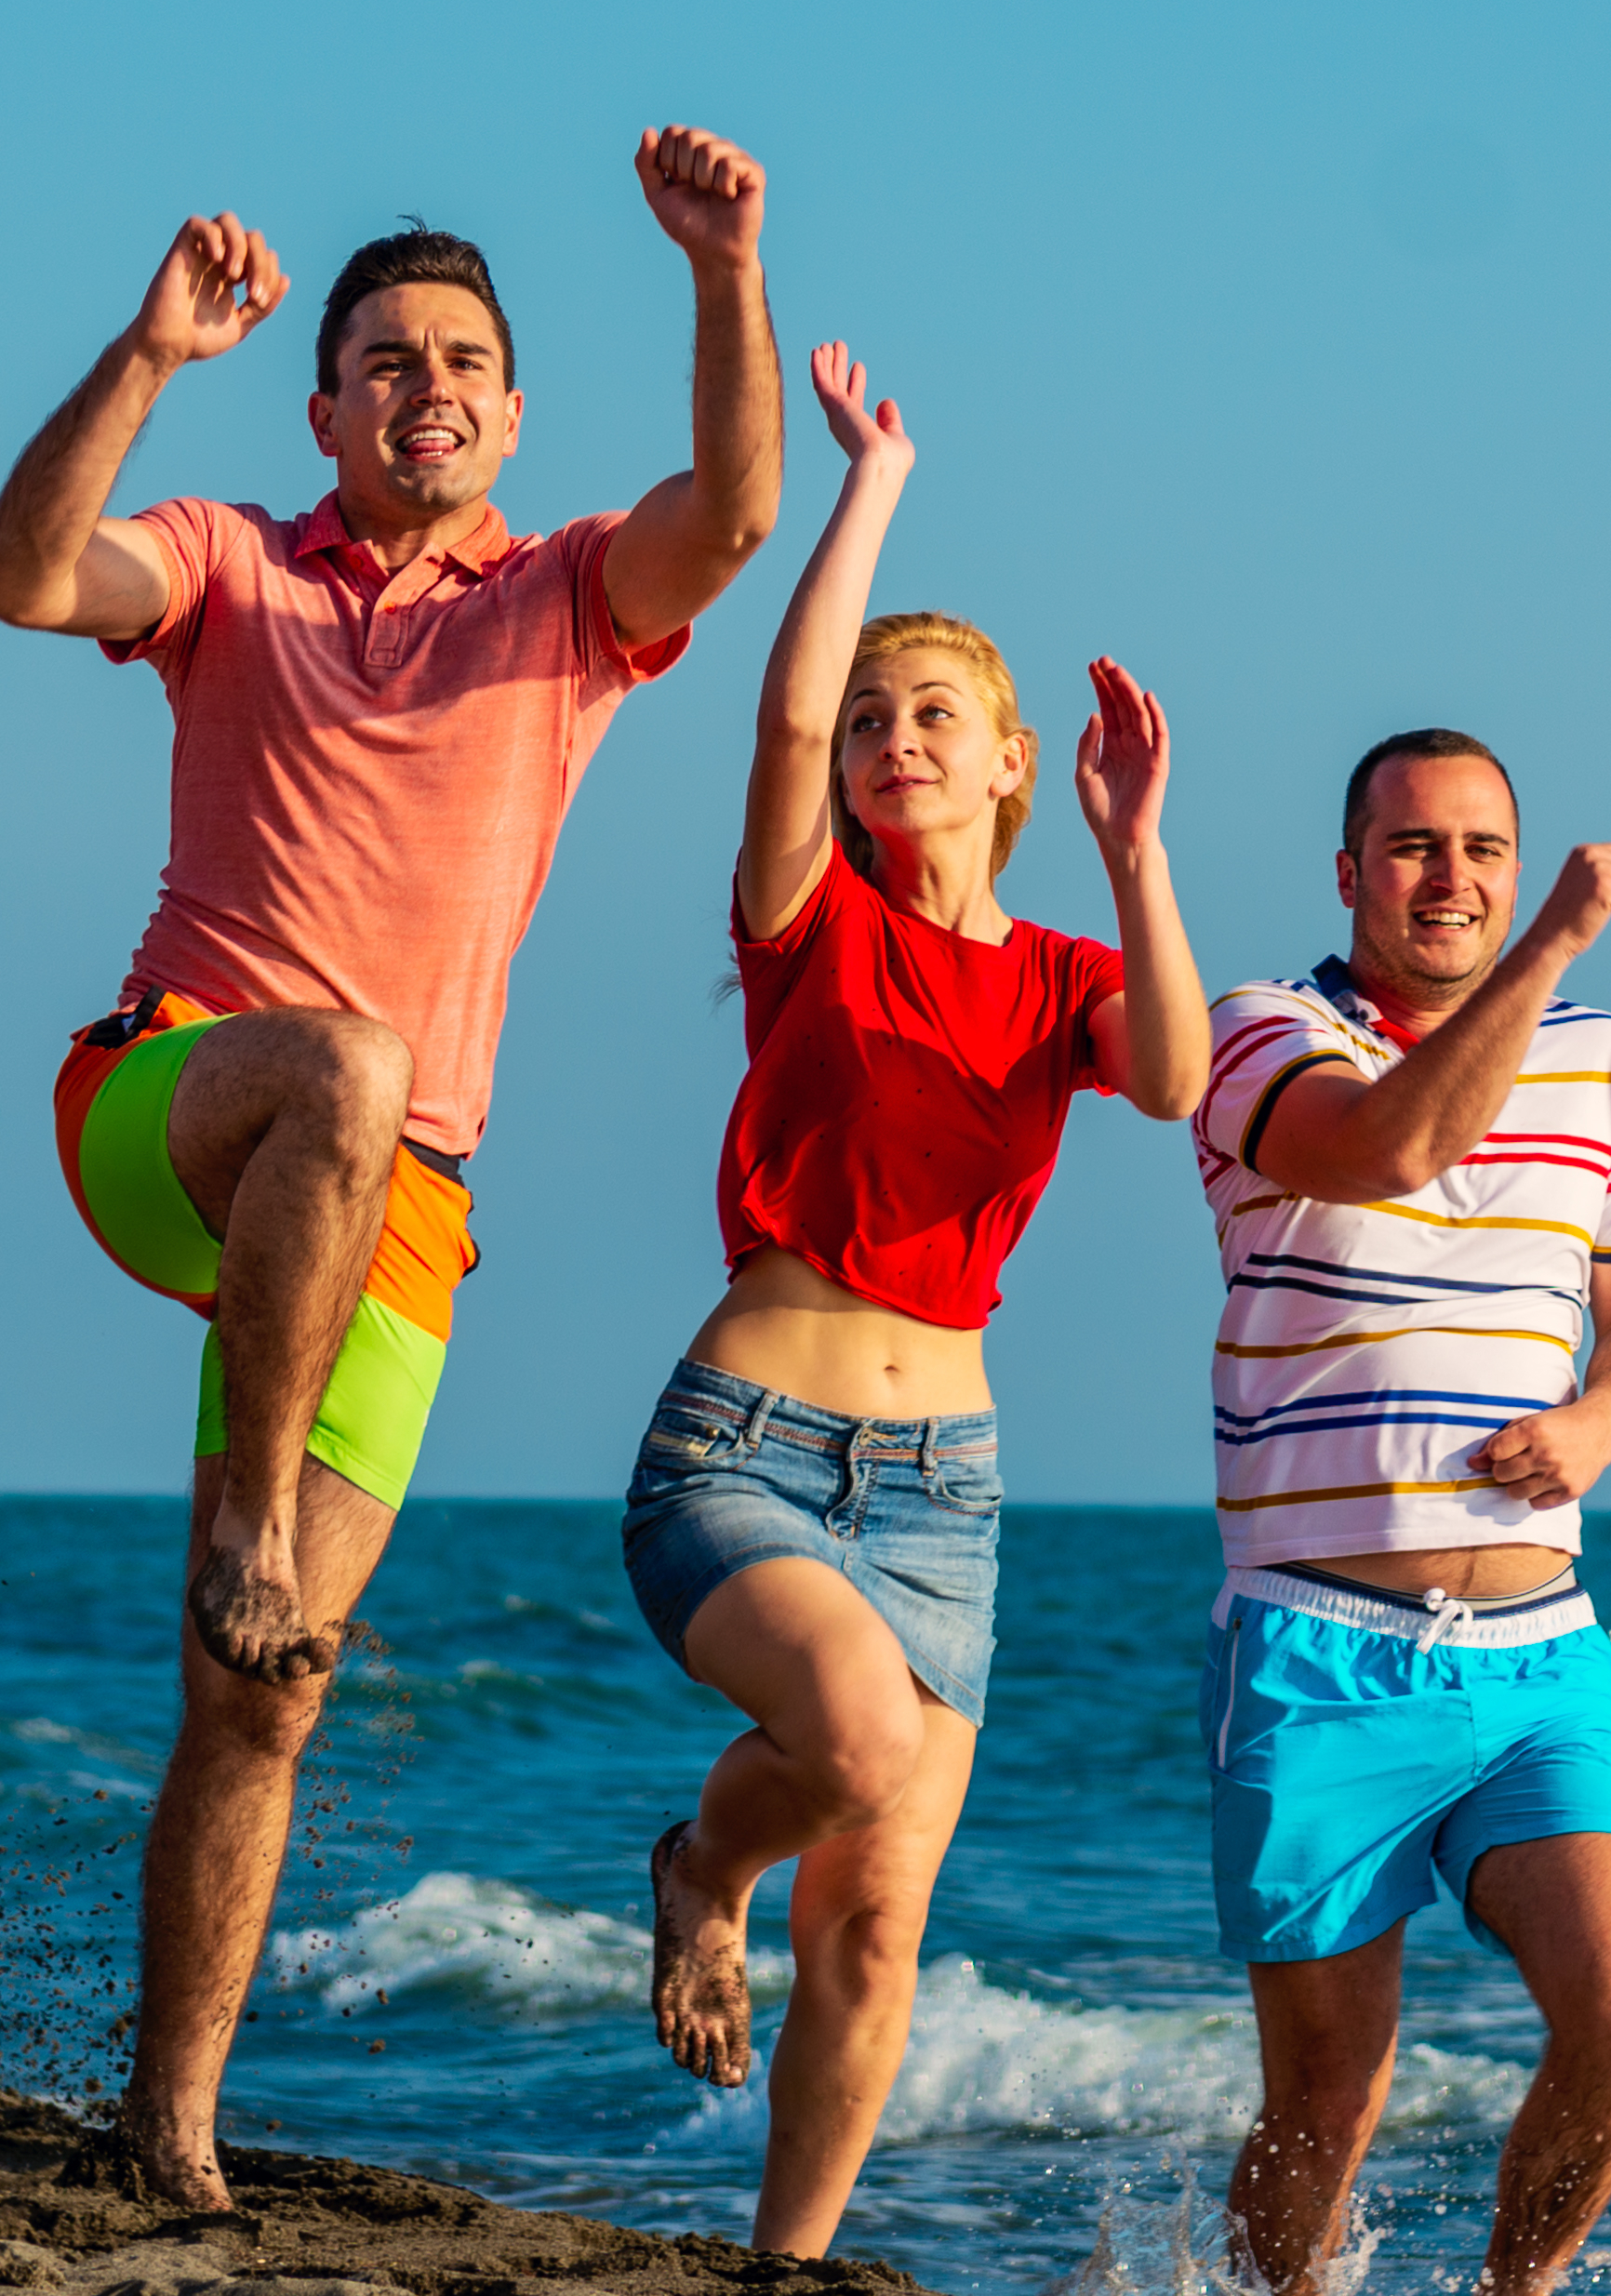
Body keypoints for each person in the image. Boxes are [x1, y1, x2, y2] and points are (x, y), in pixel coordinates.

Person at [0, 139, 786, 2209]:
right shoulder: (233, 562)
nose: (430, 382)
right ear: (324, 409)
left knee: (267, 1695)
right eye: (386, 358)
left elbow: (741, 513)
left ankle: (169, 2124)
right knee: (346, 1062)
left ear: (513, 415)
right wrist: (148, 355)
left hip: (401, 1201)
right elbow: (20, 577)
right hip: (174, 1103)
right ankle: (240, 1517)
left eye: (468, 360)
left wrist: (722, 274)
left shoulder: (568, 607)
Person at [622, 343, 1208, 2260]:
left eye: (937, 711)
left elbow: (1185, 1081)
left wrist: (1139, 858)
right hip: (746, 1450)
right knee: (851, 1748)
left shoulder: (1055, 975)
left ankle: (780, 2263)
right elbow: (784, 731)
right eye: (882, 712)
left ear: (1013, 758)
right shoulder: (811, 925)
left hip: (944, 1488)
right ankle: (698, 1867)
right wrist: (876, 481)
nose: (896, 737)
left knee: (875, 1922)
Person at [1192, 735, 1611, 2296]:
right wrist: (1551, 934)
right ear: (1350, 874)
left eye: (1483, 849)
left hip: (1541, 1655)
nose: (1452, 879)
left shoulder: (1605, 1058)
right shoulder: (1263, 1034)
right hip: (1320, 1654)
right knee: (1327, 2106)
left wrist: (1600, 1422)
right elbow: (1395, 1141)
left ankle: (1512, 2293)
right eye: (1415, 848)